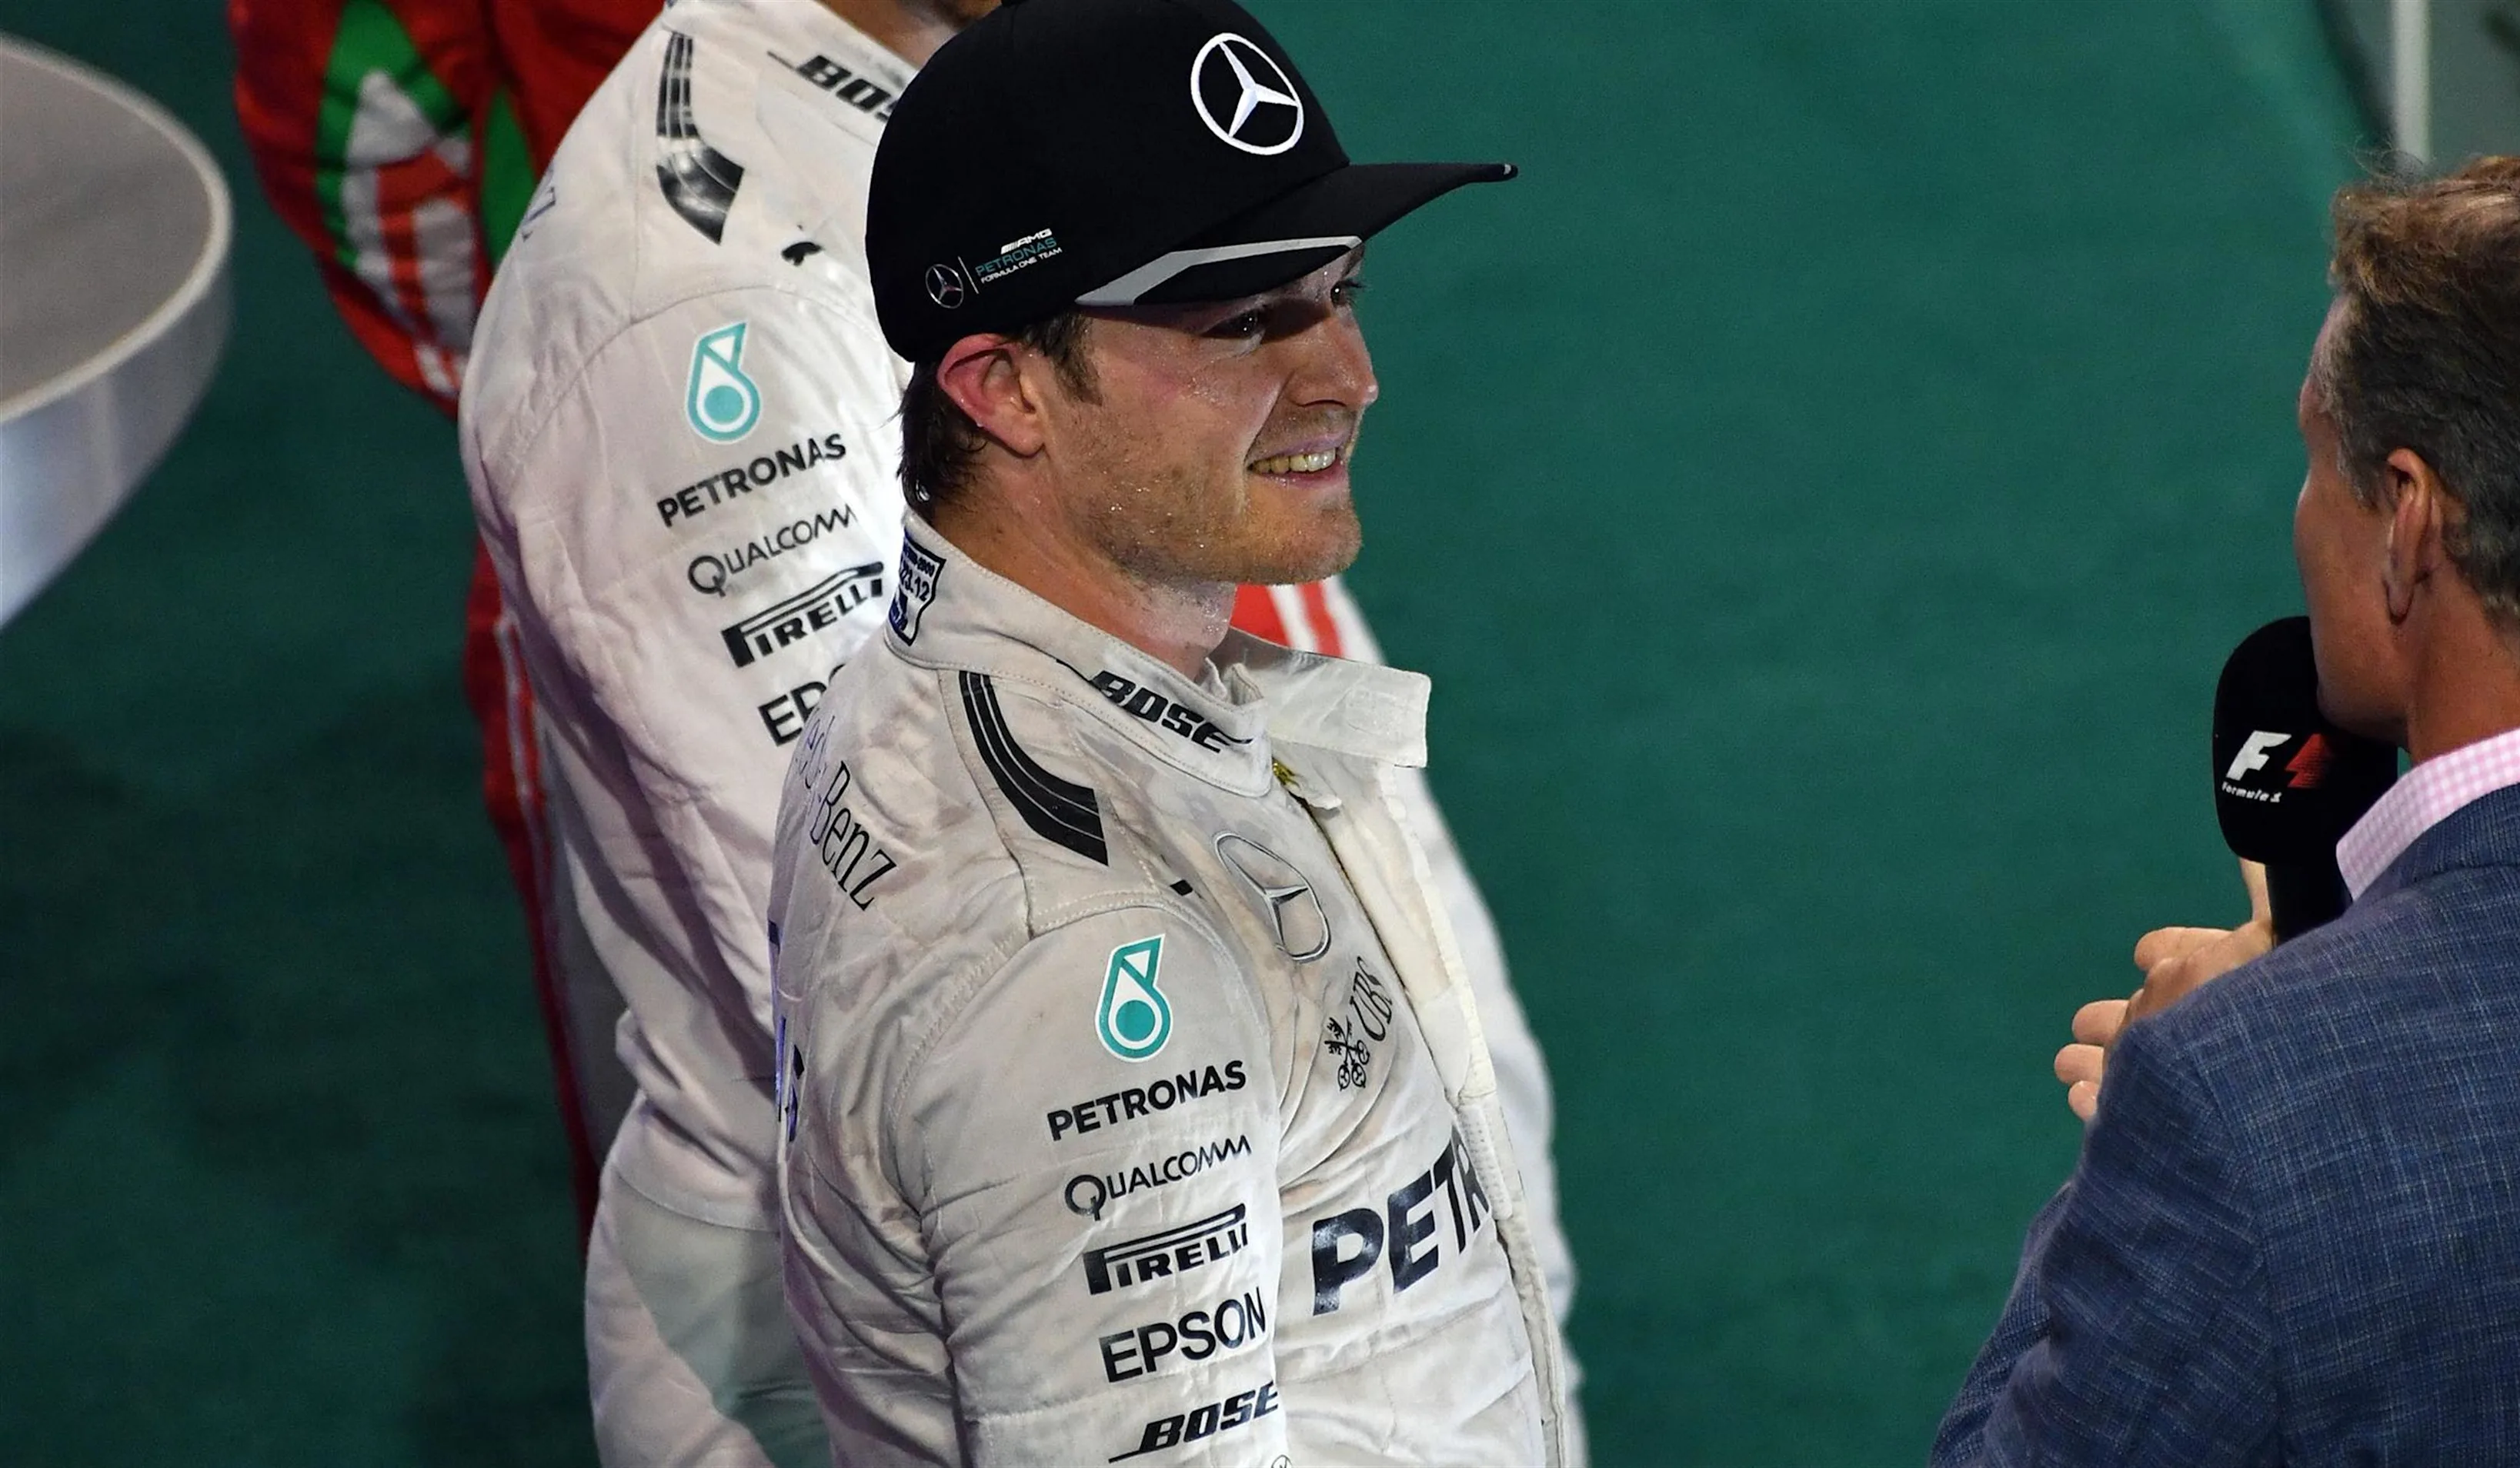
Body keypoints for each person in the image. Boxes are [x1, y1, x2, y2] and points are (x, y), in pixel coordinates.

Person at [229, 0, 1575, 1319]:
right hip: (995, 1281)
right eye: (1243, 316)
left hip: (1178, 600)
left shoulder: (1055, 86)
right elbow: (936, 1029)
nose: (1363, 373)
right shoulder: (690, 327)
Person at [766, 1, 1570, 1463]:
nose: (1348, 376)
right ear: (1003, 387)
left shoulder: (1000, 705)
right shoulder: (1077, 959)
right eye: (1247, 320)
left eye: (1339, 287)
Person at [1936, 155, 2520, 1465]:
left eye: (2315, 458)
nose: (2298, 517)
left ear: (2409, 522)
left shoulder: (2238, 1100)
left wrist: (2168, 1111)